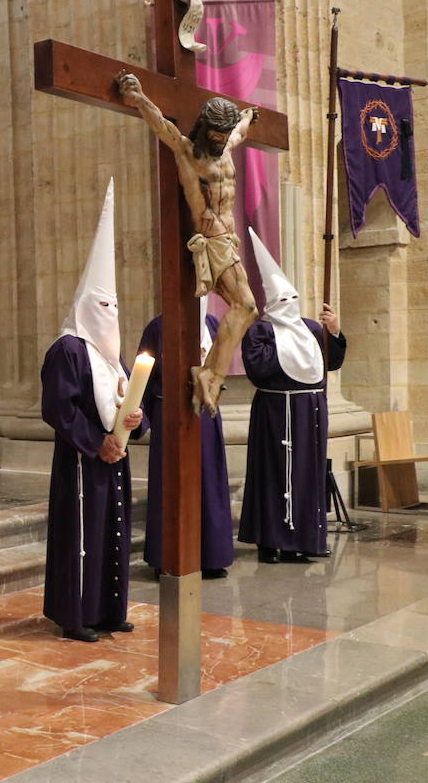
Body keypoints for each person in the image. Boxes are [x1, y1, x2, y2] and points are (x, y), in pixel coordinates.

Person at [117, 71, 261, 416]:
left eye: (224, 135)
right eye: (215, 134)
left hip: (229, 240)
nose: (221, 140)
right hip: (212, 242)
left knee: (246, 308)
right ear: (203, 128)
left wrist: (247, 117)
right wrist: (138, 97)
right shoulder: (187, 152)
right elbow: (160, 126)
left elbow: (240, 130)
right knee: (248, 307)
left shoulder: (226, 145)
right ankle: (211, 374)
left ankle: (209, 372)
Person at [40, 180, 146, 642]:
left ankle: (108, 609)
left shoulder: (111, 357)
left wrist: (135, 423)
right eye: (102, 305)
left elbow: (125, 397)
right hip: (81, 461)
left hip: (112, 457)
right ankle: (76, 614)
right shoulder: (67, 349)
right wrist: (95, 441)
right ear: (85, 308)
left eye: (115, 306)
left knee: (113, 534)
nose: (110, 313)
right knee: (83, 534)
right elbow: (58, 409)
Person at [239, 230, 346, 564]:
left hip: (308, 411)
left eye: (292, 299)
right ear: (271, 303)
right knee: (273, 474)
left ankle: (303, 540)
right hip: (275, 411)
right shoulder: (260, 331)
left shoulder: (313, 329)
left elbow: (332, 363)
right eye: (282, 301)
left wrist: (335, 333)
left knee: (305, 475)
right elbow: (259, 369)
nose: (289, 306)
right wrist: (289, 354)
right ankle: (270, 541)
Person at [138, 299, 235, 579]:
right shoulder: (157, 328)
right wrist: (142, 416)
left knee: (208, 480)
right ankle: (165, 555)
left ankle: (212, 555)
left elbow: (220, 363)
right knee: (171, 483)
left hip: (203, 416)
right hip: (169, 414)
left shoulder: (213, 325)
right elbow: (144, 373)